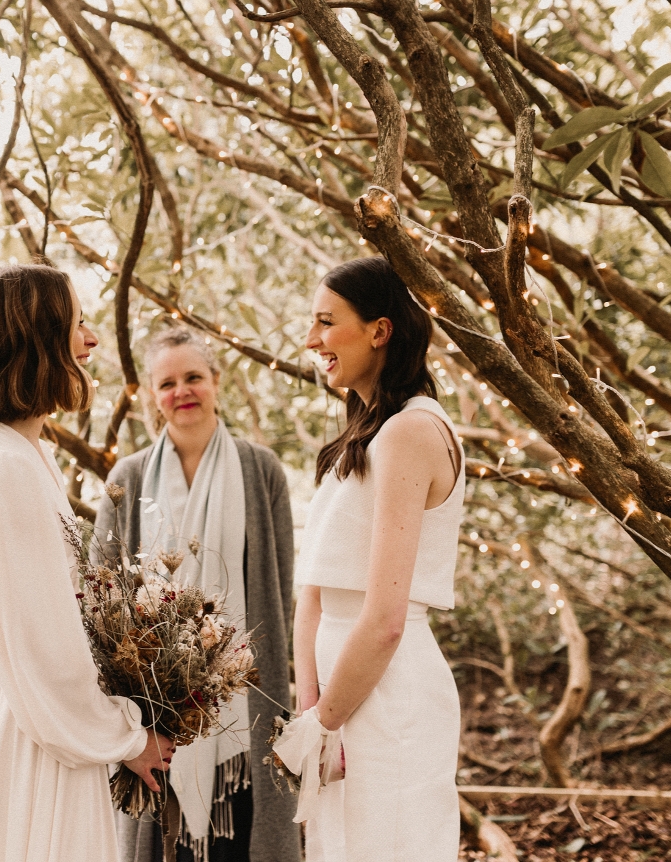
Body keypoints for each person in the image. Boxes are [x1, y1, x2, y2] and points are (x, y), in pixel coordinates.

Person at [0, 264, 174, 862]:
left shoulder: (19, 452)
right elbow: (42, 640)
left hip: (30, 711)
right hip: (32, 728)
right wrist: (125, 737)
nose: (92, 341)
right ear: (35, 340)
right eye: (78, 324)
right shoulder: (0, 464)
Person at [95, 327, 299, 862]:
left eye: (193, 378)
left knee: (245, 837)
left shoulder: (261, 470)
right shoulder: (129, 476)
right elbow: (102, 596)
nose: (182, 391)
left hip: (243, 692)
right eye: (168, 383)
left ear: (216, 383)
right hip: (155, 702)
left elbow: (280, 592)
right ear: (150, 396)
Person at [287, 256, 464, 861]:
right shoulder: (362, 435)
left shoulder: (411, 433)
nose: (312, 340)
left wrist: (323, 720)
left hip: (386, 695)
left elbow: (385, 617)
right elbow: (311, 591)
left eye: (326, 322)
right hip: (338, 694)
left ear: (380, 330)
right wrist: (309, 707)